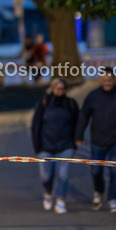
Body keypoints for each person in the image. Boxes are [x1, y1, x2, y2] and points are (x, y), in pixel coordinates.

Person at [74, 68, 116, 213]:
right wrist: (78, 135)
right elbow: (83, 116)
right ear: (100, 80)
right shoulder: (93, 96)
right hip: (97, 141)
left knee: (115, 171)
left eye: (109, 80)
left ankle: (113, 199)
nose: (107, 83)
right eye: (104, 80)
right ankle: (99, 191)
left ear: (114, 79)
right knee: (96, 170)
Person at [31, 78, 79, 214]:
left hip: (66, 146)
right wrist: (37, 147)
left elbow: (78, 122)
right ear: (52, 89)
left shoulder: (70, 103)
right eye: (57, 88)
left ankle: (60, 201)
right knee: (46, 176)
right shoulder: (44, 103)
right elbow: (36, 125)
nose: (60, 91)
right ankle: (47, 193)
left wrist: (77, 140)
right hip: (45, 147)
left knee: (63, 174)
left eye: (62, 88)